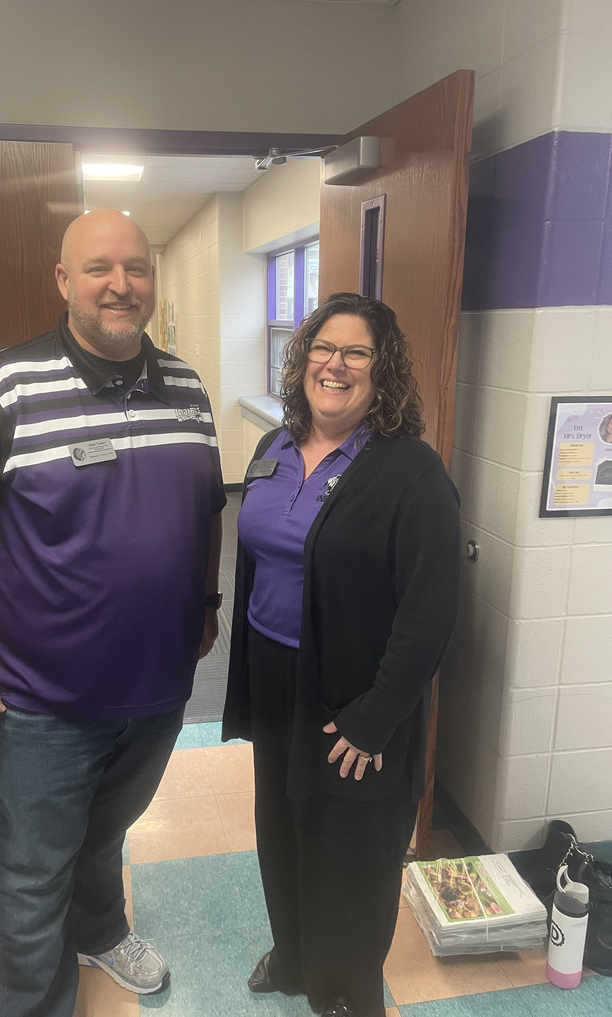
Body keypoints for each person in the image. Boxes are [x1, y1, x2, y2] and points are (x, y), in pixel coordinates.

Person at [0, 209, 225, 1017]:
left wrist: (205, 602)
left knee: (103, 832)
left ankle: (99, 929)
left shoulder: (187, 388)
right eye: (98, 268)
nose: (120, 285)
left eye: (136, 268)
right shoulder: (2, 390)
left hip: (154, 691)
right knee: (29, 872)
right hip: (36, 703)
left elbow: (204, 509)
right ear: (63, 280)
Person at [222, 292, 461, 1017]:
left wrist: (377, 716)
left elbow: (430, 611)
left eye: (357, 352)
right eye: (324, 348)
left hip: (356, 694)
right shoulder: (273, 448)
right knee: (282, 826)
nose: (336, 364)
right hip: (276, 679)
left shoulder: (411, 472)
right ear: (302, 361)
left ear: (383, 371)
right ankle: (295, 957)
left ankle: (346, 991)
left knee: (351, 850)